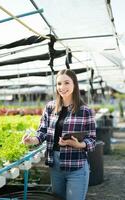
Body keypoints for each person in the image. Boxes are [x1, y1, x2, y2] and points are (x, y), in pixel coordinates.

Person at [22, 69, 96, 200]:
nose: (62, 87)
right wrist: (31, 140)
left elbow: (92, 141)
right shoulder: (50, 107)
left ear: (75, 84)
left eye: (66, 83)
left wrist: (78, 144)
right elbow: (42, 132)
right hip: (55, 165)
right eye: (59, 84)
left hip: (76, 167)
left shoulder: (85, 111)